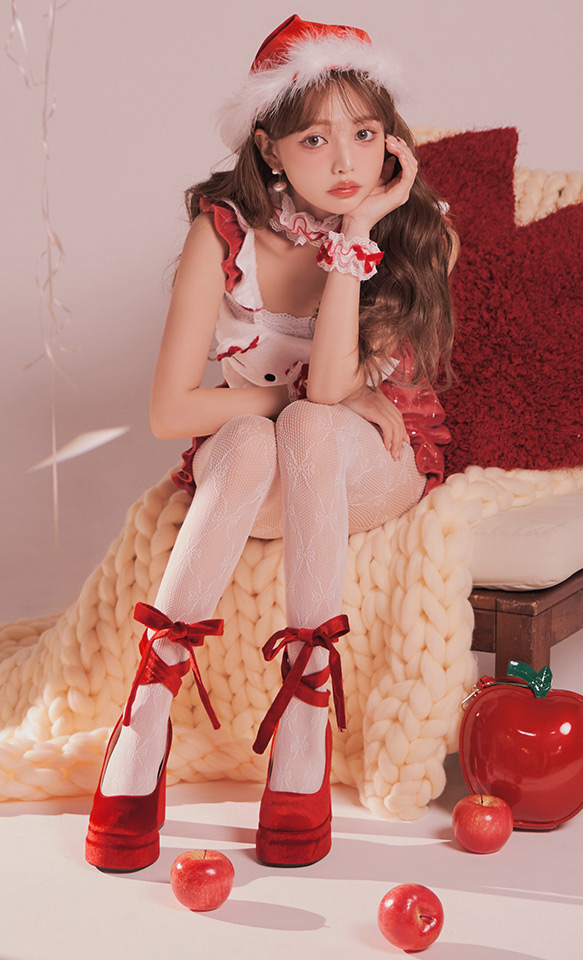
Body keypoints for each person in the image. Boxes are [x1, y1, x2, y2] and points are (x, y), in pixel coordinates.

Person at [85, 13, 458, 873]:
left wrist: (357, 236)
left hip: (374, 459)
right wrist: (275, 398)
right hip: (262, 464)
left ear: (390, 140)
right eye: (314, 139)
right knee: (260, 436)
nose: (345, 161)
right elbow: (171, 412)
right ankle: (148, 707)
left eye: (365, 134)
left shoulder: (415, 227)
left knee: (307, 421)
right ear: (270, 149)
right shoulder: (223, 234)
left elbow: (326, 396)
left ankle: (305, 713)